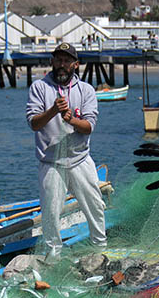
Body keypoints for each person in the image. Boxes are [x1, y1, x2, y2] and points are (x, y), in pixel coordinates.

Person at [25, 42, 105, 260]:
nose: (62, 65)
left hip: (80, 159)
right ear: (51, 62)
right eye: (58, 60)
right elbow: (34, 123)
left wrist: (72, 119)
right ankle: (53, 257)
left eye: (67, 61)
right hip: (50, 162)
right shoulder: (39, 88)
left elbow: (89, 126)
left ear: (75, 65)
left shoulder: (86, 90)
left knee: (95, 205)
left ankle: (100, 249)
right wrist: (53, 111)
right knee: (51, 213)